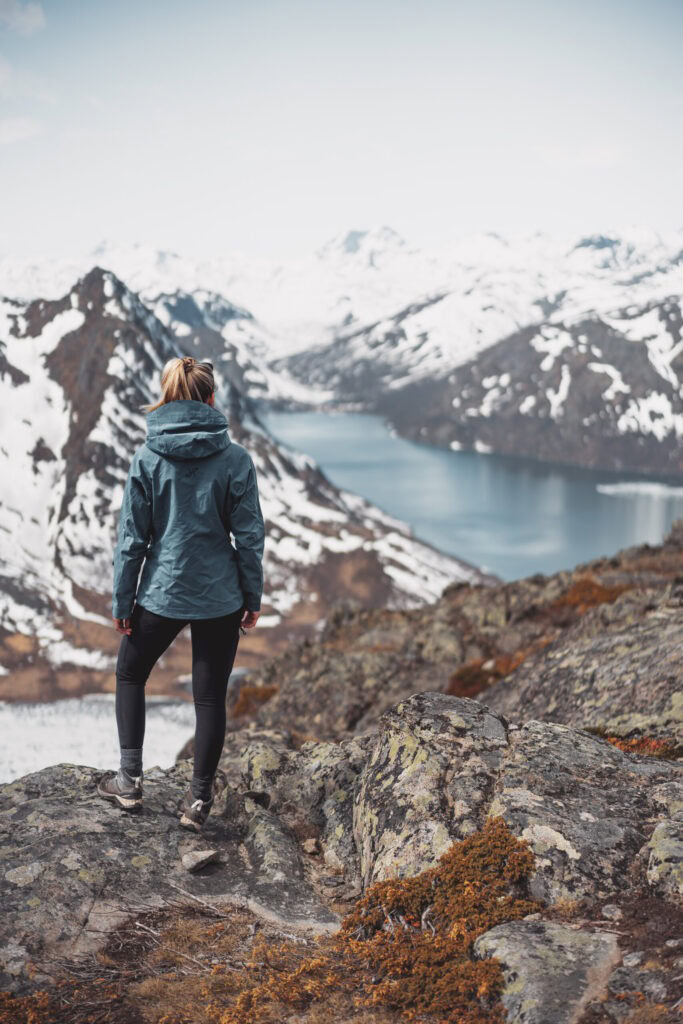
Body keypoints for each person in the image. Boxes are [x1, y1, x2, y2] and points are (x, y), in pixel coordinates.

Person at [97, 355, 265, 832]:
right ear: (212, 399)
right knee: (209, 699)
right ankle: (197, 803)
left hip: (162, 592)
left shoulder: (148, 458)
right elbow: (248, 537)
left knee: (130, 673)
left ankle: (128, 781)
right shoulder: (235, 459)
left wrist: (122, 601)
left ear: (167, 398)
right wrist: (251, 597)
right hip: (221, 597)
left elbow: (133, 538)